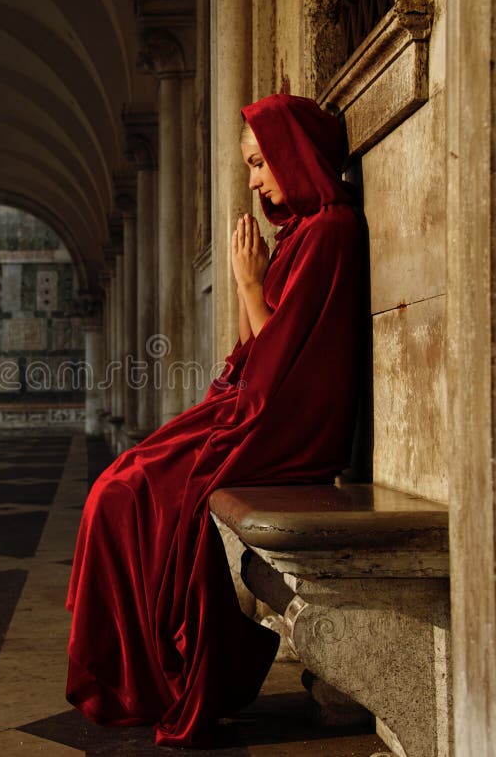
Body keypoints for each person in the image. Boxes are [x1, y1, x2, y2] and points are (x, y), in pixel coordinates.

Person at [65, 93, 365, 747]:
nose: (255, 180)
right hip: (257, 409)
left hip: (286, 428)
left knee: (129, 493)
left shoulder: (331, 232)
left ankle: (166, 672)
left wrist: (248, 283)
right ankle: (156, 667)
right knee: (122, 484)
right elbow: (257, 353)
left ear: (293, 153)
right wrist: (246, 281)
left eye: (260, 162)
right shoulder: (301, 235)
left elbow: (279, 374)